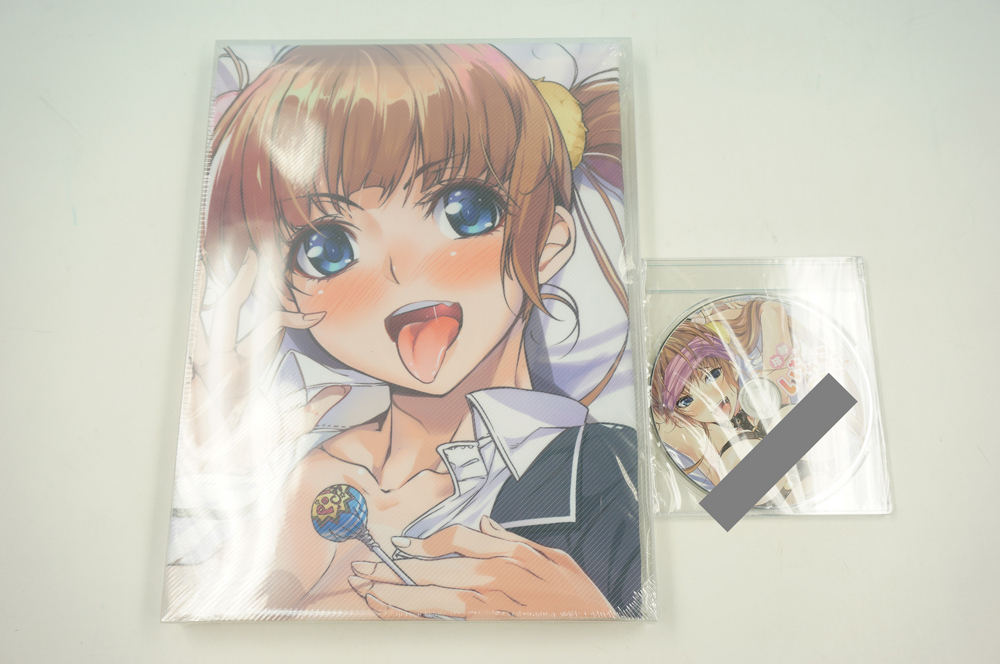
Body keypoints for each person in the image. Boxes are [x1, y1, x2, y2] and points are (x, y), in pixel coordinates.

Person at [164, 43, 643, 621]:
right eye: (329, 248)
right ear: (286, 293)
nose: (401, 273)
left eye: (463, 211)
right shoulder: (320, 474)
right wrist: (209, 472)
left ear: (547, 241)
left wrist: (594, 621)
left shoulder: (601, 470)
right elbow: (206, 611)